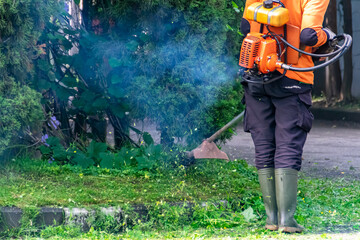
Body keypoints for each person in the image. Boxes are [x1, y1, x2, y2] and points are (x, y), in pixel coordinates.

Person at [240, 0, 330, 233]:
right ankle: (286, 221)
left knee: (264, 145)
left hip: (255, 74)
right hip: (292, 77)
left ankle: (271, 218)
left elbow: (245, 26)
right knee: (288, 144)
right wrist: (326, 38)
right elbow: (309, 36)